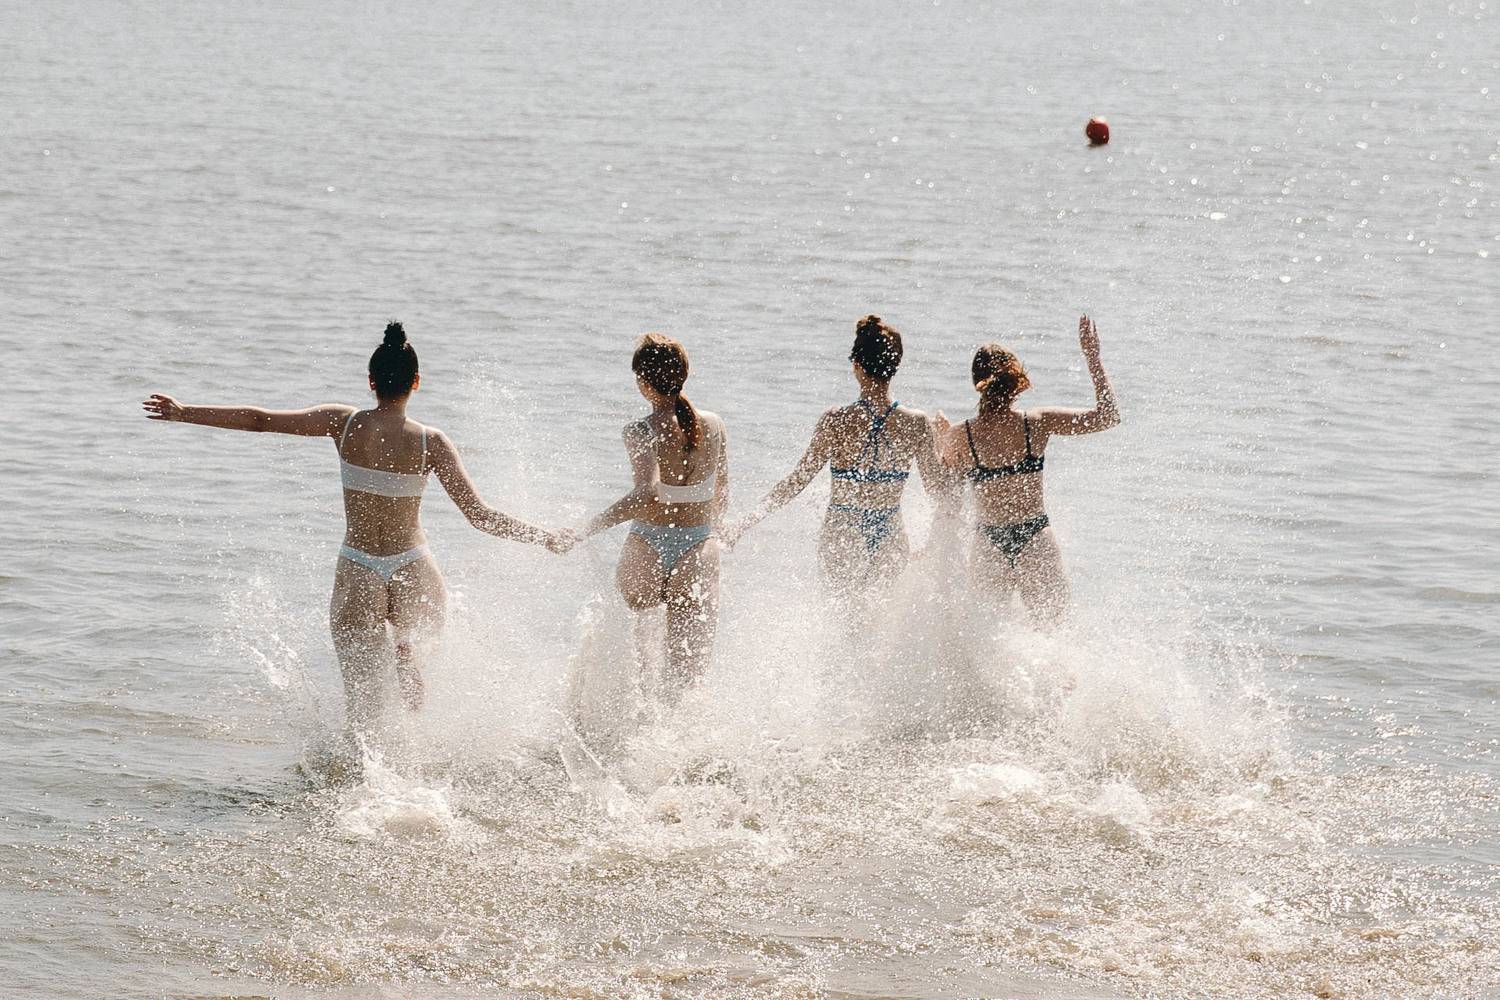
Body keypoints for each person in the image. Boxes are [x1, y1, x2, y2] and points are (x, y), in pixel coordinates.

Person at [142, 321, 564, 732]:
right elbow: (480, 516)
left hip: (359, 567)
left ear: (370, 381)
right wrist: (545, 537)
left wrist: (184, 413)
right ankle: (406, 656)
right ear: (416, 382)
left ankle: (365, 764)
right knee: (415, 679)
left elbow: (260, 419)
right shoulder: (431, 441)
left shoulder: (344, 423)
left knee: (363, 710)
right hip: (413, 566)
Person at [724, 315, 952, 601]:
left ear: (857, 366)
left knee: (844, 617)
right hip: (891, 534)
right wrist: (946, 444)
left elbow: (796, 481)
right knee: (876, 617)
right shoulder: (917, 423)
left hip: (844, 532)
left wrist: (744, 523)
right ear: (895, 367)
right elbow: (939, 490)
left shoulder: (836, 420)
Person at [934, 314, 1120, 624]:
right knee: (1054, 633)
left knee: (984, 641)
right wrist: (1093, 358)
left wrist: (942, 439)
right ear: (1014, 381)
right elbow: (1108, 416)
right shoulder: (1036, 422)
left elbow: (944, 490)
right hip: (1035, 538)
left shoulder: (961, 435)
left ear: (977, 385)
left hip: (989, 544)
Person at [574, 334, 729, 705]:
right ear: (684, 375)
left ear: (643, 382)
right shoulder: (715, 425)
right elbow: (722, 496)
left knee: (633, 671)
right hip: (699, 549)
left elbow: (647, 493)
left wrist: (586, 529)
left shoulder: (640, 430)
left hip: (647, 547)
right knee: (686, 681)